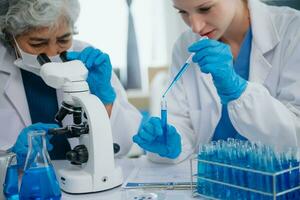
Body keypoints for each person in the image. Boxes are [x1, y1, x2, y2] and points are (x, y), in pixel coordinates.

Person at [133, 0, 300, 163]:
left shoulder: (293, 31)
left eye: (205, 9)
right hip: (211, 180)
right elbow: (181, 123)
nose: (195, 27)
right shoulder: (186, 45)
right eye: (182, 12)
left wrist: (238, 91)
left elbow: (296, 134)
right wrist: (173, 141)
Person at [0, 0, 142, 167]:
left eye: (63, 39)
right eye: (38, 43)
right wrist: (10, 158)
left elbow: (122, 146)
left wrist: (105, 102)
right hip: (23, 186)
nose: (53, 52)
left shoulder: (89, 60)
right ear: (10, 36)